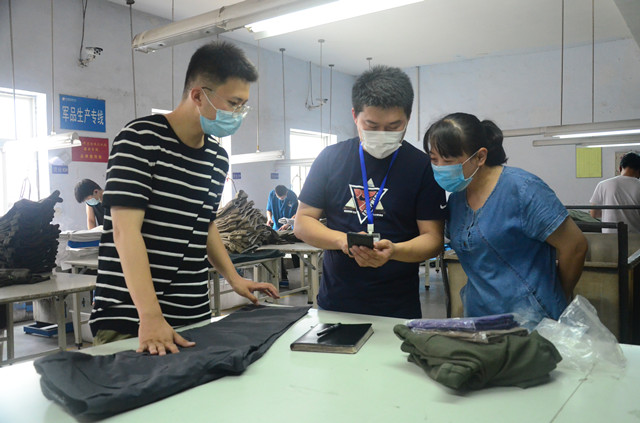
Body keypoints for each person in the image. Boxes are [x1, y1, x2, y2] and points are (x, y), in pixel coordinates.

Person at [89, 41, 279, 355]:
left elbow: (204, 223)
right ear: (198, 95)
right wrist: (150, 316)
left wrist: (233, 278)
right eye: (233, 103)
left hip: (193, 314)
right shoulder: (140, 140)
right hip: (133, 319)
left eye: (243, 105)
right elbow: (125, 232)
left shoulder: (217, 158)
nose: (238, 114)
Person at [294, 65, 446, 319]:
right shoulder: (330, 158)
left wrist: (395, 251)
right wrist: (342, 241)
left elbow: (433, 238)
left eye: (394, 126)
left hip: (398, 306)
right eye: (371, 125)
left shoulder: (422, 167)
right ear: (355, 116)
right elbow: (303, 222)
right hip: (337, 302)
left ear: (408, 118)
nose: (382, 135)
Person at [425, 112, 588, 325]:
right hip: (480, 317)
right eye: (434, 160)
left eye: (448, 161)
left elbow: (575, 246)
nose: (440, 167)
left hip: (533, 320)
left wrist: (556, 294)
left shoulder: (524, 190)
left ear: (480, 157)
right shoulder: (457, 199)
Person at [590, 152, 640, 233]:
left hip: (609, 236)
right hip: (634, 237)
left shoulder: (603, 184)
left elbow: (593, 214)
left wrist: (611, 213)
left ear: (620, 168)